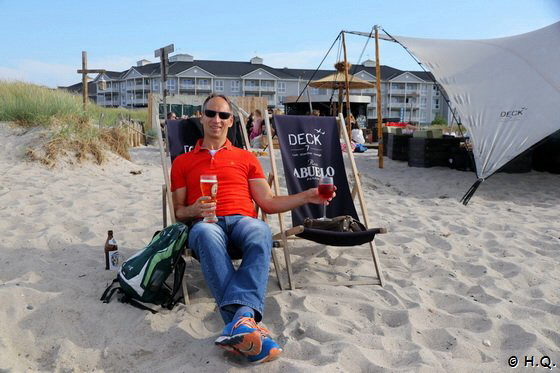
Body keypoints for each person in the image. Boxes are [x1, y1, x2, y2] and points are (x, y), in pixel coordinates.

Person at [170, 94, 334, 364]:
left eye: (223, 115)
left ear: (231, 121)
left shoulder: (246, 158)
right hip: (206, 222)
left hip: (243, 220)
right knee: (205, 234)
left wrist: (308, 196)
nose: (216, 120)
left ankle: (239, 324)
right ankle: (246, 324)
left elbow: (268, 203)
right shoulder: (183, 162)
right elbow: (178, 212)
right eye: (211, 113)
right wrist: (193, 211)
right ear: (201, 117)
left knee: (261, 231)